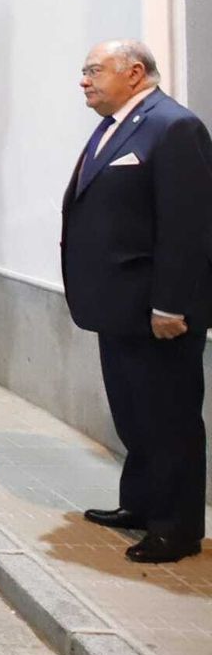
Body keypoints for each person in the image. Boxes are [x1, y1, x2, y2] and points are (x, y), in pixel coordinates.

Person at [64, 40, 212, 564]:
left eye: (93, 70)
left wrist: (171, 303)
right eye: (83, 71)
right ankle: (142, 505)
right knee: (135, 414)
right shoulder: (114, 125)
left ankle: (177, 527)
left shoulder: (173, 126)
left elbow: (187, 227)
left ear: (134, 72)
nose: (83, 80)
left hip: (157, 311)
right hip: (117, 306)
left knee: (169, 419)